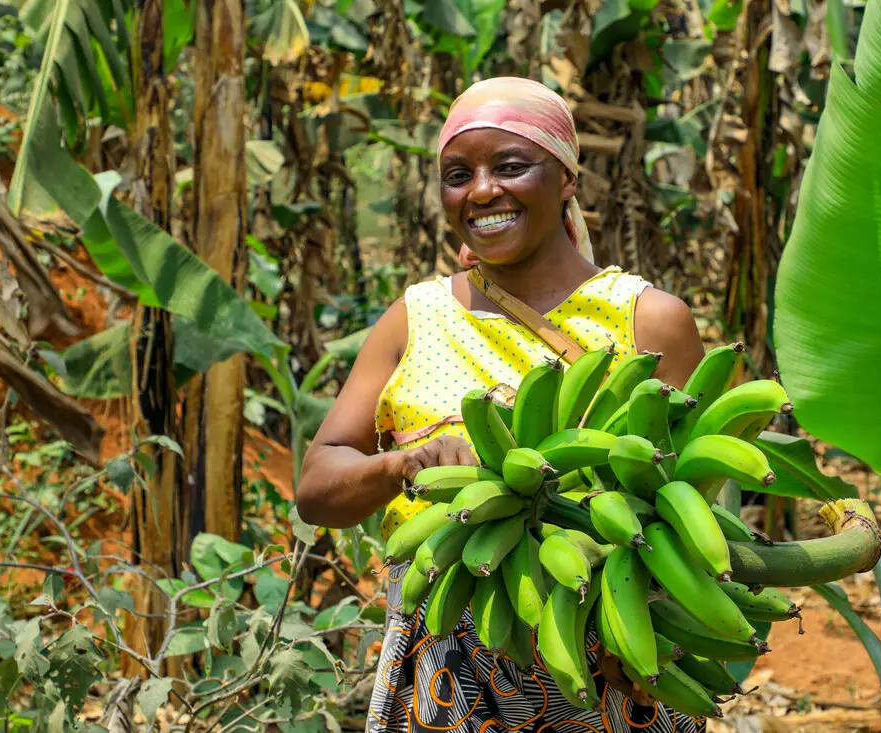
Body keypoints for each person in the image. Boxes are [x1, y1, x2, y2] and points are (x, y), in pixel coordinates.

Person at [297, 76, 708, 732]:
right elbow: (316, 485)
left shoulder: (648, 322)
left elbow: (698, 516)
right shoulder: (416, 317)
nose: (481, 190)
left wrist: (661, 631)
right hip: (447, 670)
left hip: (608, 662)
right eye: (458, 174)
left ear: (567, 178)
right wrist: (405, 463)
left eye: (511, 166)